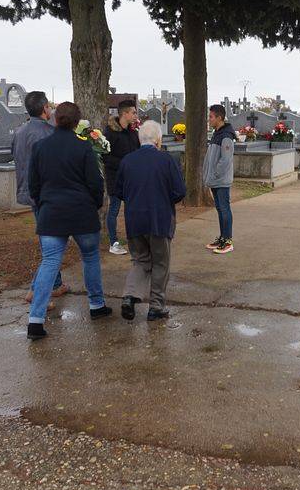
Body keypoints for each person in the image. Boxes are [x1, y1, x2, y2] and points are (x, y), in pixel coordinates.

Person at [25, 102, 110, 340]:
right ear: (76, 122)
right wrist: (95, 204)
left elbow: (33, 183)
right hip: (82, 211)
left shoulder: (40, 147)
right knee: (90, 257)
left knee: (50, 262)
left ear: (55, 118)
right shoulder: (83, 148)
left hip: (52, 212)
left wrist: (42, 203)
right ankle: (96, 305)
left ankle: (35, 320)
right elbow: (95, 182)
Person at [115, 121, 186, 321]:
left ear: (140, 140)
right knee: (161, 263)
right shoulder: (166, 160)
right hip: (159, 219)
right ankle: (156, 307)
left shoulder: (127, 161)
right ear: (158, 140)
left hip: (134, 219)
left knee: (140, 260)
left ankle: (130, 295)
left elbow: (119, 191)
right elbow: (179, 191)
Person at [13, 91, 69, 311]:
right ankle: (36, 290)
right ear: (45, 108)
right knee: (52, 247)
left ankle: (55, 283)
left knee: (49, 241)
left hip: (29, 191)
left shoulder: (20, 131)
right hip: (45, 194)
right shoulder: (48, 133)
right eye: (49, 106)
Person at [102, 99, 140, 256]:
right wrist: (125, 164)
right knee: (114, 209)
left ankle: (134, 239)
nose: (136, 115)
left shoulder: (133, 133)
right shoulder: (110, 133)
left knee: (132, 209)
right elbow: (105, 157)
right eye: (133, 112)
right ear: (124, 114)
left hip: (132, 178)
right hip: (115, 178)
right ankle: (113, 242)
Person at [203, 104, 236, 254]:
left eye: (211, 117)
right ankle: (222, 238)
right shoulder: (217, 133)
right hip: (215, 180)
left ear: (219, 117)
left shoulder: (226, 136)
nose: (209, 119)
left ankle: (228, 241)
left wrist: (215, 174)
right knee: (220, 209)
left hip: (221, 180)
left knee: (224, 209)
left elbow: (225, 159)